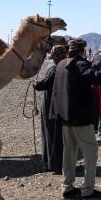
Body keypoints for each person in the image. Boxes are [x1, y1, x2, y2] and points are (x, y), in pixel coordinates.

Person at [49, 38, 101, 200]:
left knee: (69, 153)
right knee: (91, 152)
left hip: (65, 117)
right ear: (81, 51)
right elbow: (98, 77)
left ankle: (67, 187)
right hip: (80, 118)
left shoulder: (60, 65)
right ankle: (87, 190)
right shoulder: (80, 64)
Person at [33, 45, 67, 174]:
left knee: (50, 133)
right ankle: (56, 164)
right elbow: (46, 83)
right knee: (54, 134)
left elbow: (44, 84)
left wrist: (36, 84)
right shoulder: (56, 68)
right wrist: (38, 84)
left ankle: (51, 163)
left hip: (50, 105)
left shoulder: (53, 67)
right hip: (53, 105)